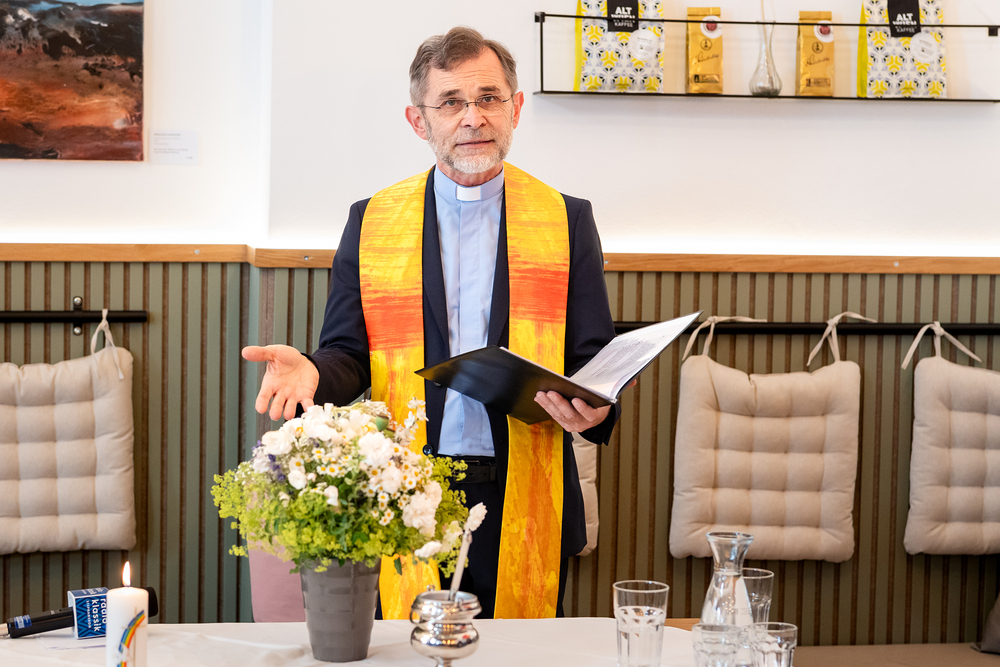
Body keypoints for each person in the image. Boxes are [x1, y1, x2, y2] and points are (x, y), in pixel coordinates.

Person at [242, 26, 618, 619]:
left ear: (516, 108)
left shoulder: (566, 218)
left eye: (489, 98)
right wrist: (313, 370)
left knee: (521, 655)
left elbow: (593, 358)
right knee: (408, 649)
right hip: (407, 485)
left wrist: (597, 407)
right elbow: (348, 353)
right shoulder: (371, 221)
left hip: (524, 481)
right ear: (419, 121)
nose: (473, 117)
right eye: (451, 102)